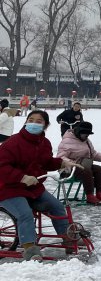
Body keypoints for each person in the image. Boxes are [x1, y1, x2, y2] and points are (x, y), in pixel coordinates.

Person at [0, 110, 82, 261]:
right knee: (25, 214)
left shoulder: (44, 143)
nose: (34, 123)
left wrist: (62, 162)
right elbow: (2, 167)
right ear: (26, 122)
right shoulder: (12, 142)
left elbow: (46, 161)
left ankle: (66, 237)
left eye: (39, 121)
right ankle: (30, 248)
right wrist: (22, 177)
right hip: (9, 188)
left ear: (46, 125)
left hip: (33, 188)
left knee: (57, 206)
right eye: (31, 120)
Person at [56, 121, 101, 205]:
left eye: (88, 134)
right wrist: (73, 163)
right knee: (86, 171)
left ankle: (99, 193)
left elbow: (93, 153)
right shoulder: (67, 141)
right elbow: (60, 157)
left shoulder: (86, 141)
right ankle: (89, 195)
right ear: (78, 131)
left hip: (83, 165)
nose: (86, 136)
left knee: (98, 169)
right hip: (68, 170)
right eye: (84, 134)